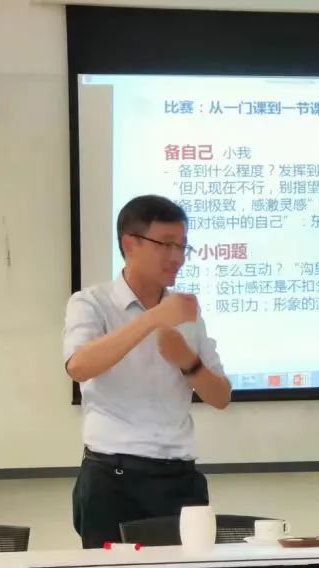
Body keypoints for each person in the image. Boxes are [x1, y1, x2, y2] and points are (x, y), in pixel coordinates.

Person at [63, 195, 232, 548]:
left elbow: (221, 397)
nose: (177, 257)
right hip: (113, 479)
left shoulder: (186, 311)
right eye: (166, 244)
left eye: (183, 246)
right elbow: (79, 366)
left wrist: (188, 360)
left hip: (180, 477)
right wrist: (153, 318)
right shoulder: (91, 303)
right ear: (130, 244)